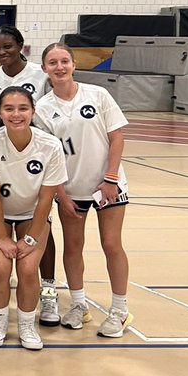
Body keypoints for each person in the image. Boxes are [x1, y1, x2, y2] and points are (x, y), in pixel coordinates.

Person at [35, 43, 133, 338]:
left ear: (74, 64)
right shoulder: (42, 108)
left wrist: (111, 177)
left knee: (111, 244)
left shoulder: (98, 95)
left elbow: (116, 138)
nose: (60, 67)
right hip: (71, 188)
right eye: (53, 62)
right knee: (73, 247)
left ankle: (120, 310)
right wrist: (61, 195)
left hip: (107, 185)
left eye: (64, 61)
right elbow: (50, 158)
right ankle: (79, 304)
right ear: (44, 69)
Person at [0, 87, 68, 350]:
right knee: (1, 266)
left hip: (31, 213)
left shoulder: (50, 145)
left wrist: (29, 238)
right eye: (9, 109)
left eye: (23, 108)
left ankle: (27, 324)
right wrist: (2, 237)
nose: (16, 114)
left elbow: (46, 198)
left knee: (28, 269)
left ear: (33, 111)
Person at [0, 24, 58, 323]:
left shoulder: (41, 75)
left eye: (7, 47)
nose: (2, 53)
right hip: (2, 154)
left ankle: (48, 290)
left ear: (21, 46)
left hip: (36, 156)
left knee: (40, 223)